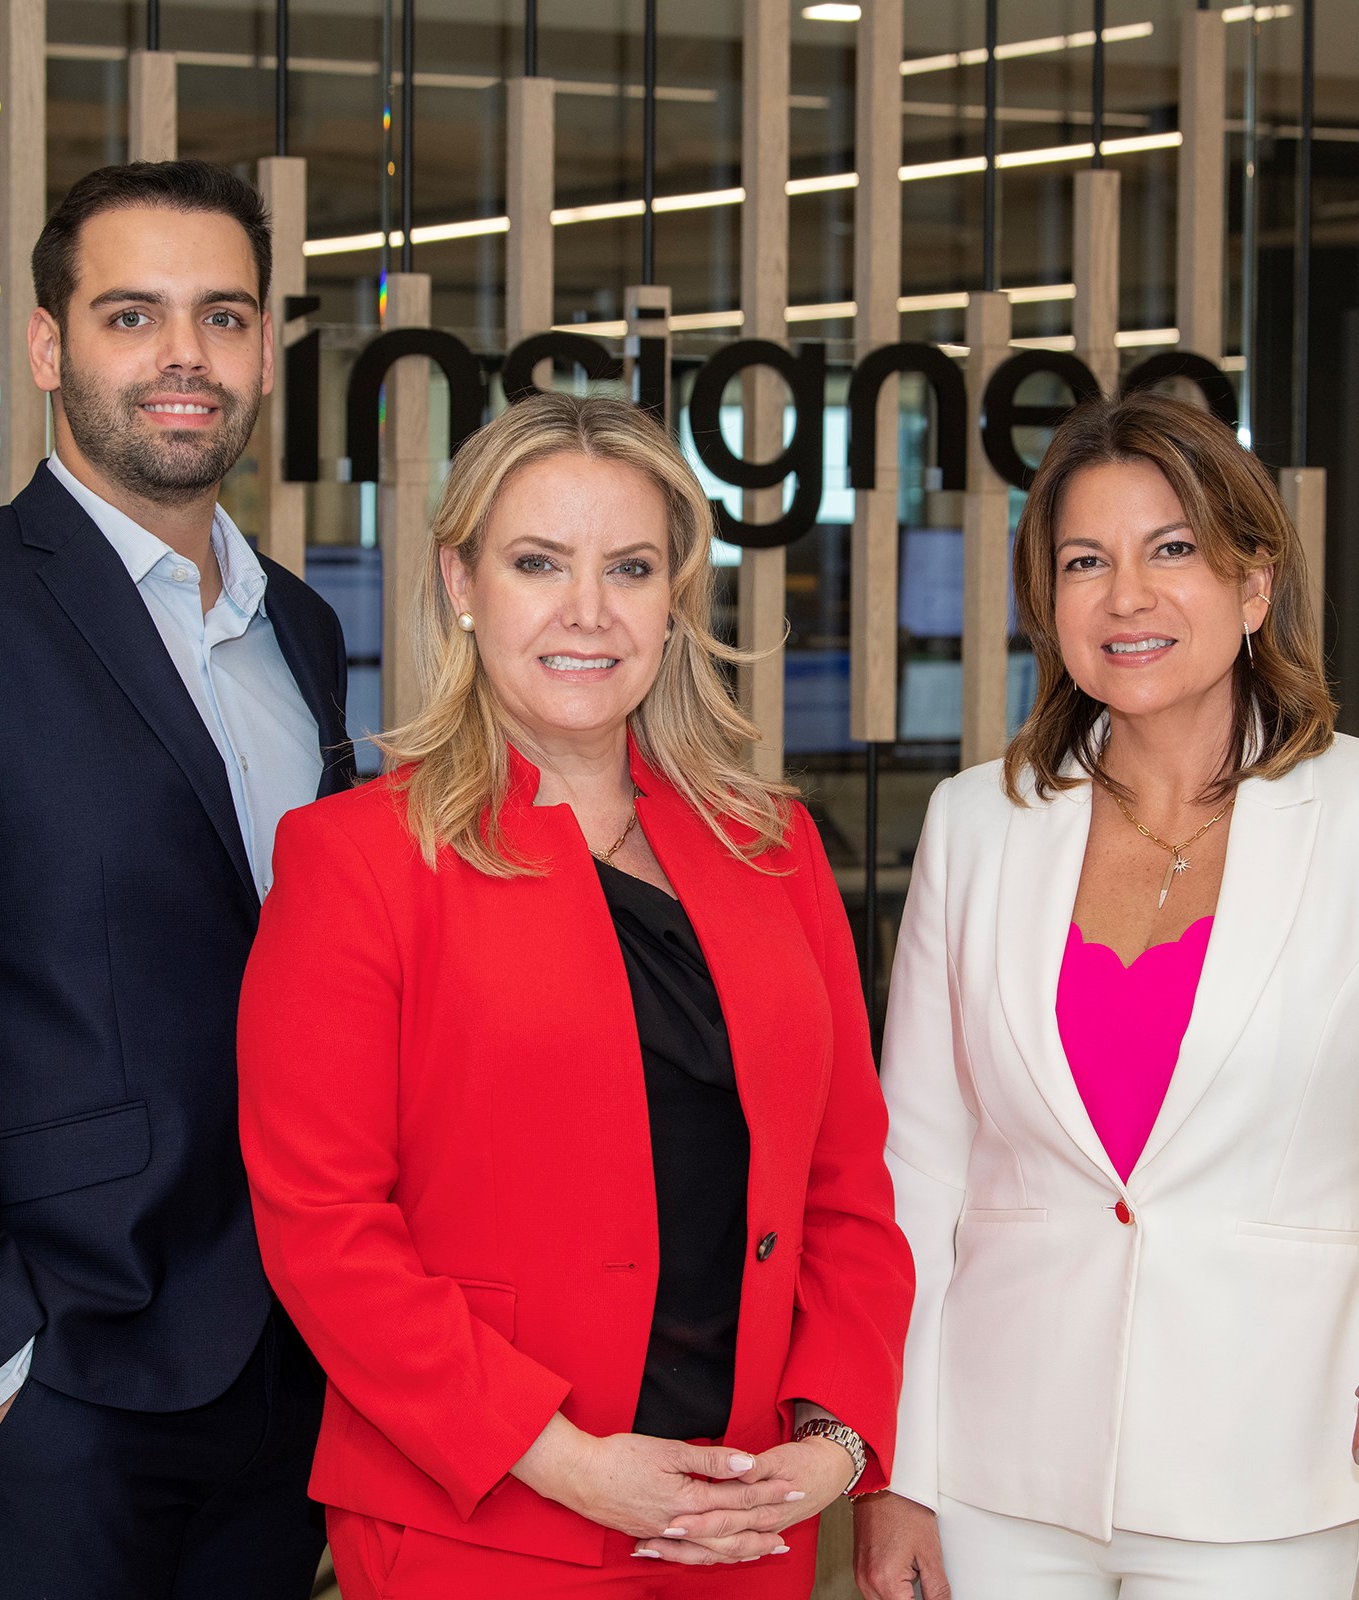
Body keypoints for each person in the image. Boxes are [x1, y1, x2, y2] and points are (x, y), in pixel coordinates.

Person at [854, 390, 1359, 1600]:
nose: (1126, 596)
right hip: (993, 1466)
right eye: (1086, 561)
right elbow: (918, 1172)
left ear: (1252, 587)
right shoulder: (976, 822)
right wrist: (896, 1473)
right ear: (1049, 605)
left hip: (1264, 1475)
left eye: (1172, 549)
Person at [0, 161, 355, 1599]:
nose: (185, 355)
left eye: (224, 316)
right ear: (48, 348)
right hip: (56, 1375)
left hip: (286, 1364)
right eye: (131, 315)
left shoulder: (298, 628)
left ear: (263, 352)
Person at [236, 392, 913, 1596]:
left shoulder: (774, 847)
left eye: (631, 568)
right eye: (538, 563)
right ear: (461, 580)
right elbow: (325, 1231)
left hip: (743, 1520)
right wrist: (564, 1460)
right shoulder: (356, 859)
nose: (588, 610)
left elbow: (847, 1185)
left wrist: (833, 1442)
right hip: (484, 1521)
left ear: (675, 598)